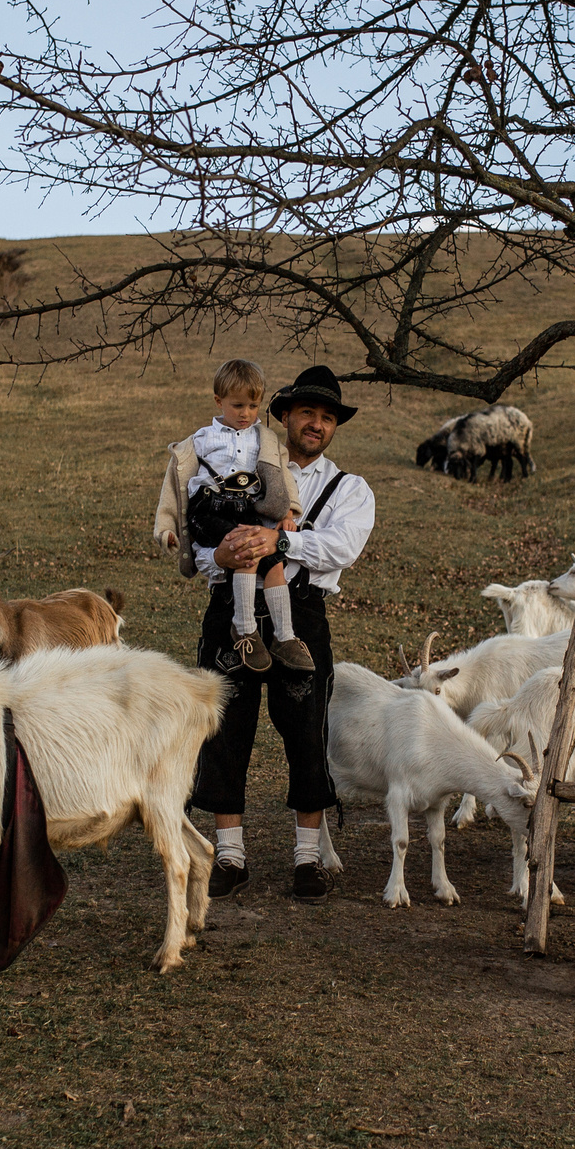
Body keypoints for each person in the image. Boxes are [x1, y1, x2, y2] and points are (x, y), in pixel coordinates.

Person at [187, 366, 377, 902]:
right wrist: (216, 555)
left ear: (334, 427)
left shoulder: (350, 488)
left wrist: (281, 544)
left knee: (305, 730)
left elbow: (343, 547)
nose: (316, 424)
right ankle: (229, 855)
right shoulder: (236, 463)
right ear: (286, 416)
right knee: (226, 728)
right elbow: (199, 528)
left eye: (327, 417)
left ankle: (308, 858)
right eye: (307, 413)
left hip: (302, 613)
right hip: (232, 606)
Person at [156, 358, 309, 674]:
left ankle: (284, 636)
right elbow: (174, 487)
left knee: (275, 563)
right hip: (208, 509)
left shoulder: (263, 439)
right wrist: (166, 528)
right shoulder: (200, 440)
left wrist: (289, 510)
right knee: (245, 551)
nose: (246, 414)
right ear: (218, 401)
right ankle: (245, 629)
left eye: (253, 406)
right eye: (238, 405)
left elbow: (283, 474)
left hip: (245, 509)